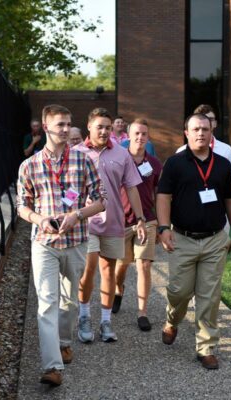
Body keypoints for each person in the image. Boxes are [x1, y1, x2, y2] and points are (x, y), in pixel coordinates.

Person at [16, 104, 105, 386]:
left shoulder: (83, 161)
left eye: (68, 124)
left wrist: (77, 214)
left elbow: (101, 199)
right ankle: (52, 366)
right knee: (46, 303)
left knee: (67, 302)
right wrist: (39, 219)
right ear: (46, 128)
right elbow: (22, 206)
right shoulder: (29, 166)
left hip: (76, 241)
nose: (66, 130)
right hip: (44, 243)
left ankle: (64, 341)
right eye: (60, 125)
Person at [156, 113, 231, 370]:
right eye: (195, 129)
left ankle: (206, 347)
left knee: (209, 295)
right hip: (183, 238)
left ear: (211, 131)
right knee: (178, 291)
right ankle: (172, 320)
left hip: (215, 240)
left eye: (205, 129)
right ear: (186, 132)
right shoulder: (175, 163)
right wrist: (163, 228)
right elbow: (163, 197)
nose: (200, 134)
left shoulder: (222, 165)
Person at [75, 108, 147, 343]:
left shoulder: (122, 154)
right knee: (89, 268)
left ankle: (106, 321)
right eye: (100, 127)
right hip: (86, 222)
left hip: (114, 221)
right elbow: (69, 189)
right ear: (89, 127)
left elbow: (132, 187)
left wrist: (139, 218)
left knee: (109, 271)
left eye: (108, 127)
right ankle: (84, 316)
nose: (105, 131)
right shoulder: (77, 153)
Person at [112, 119, 162, 331]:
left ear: (147, 137)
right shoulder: (119, 160)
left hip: (148, 220)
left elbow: (161, 195)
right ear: (128, 136)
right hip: (122, 221)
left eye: (144, 134)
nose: (140, 137)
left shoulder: (155, 164)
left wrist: (161, 224)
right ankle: (118, 289)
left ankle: (142, 312)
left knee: (144, 264)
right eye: (136, 133)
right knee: (122, 264)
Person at [176, 104, 231, 233]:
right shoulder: (181, 152)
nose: (210, 122)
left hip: (218, 214)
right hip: (190, 214)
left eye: (212, 119)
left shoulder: (225, 150)